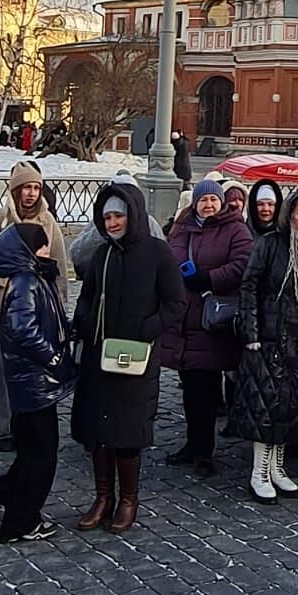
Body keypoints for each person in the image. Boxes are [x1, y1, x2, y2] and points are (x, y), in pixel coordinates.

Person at [71, 181, 182, 533]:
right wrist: (86, 324)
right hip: (97, 354)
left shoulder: (157, 253)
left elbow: (175, 304)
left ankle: (128, 499)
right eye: (107, 217)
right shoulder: (101, 254)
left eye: (118, 216)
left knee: (127, 432)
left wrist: (146, 330)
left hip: (135, 357)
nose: (113, 223)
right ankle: (102, 495)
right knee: (97, 430)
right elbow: (86, 298)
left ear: (132, 215)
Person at [230, 191, 298, 503]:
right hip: (269, 338)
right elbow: (249, 286)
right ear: (290, 215)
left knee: (289, 406)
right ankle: (258, 471)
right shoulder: (270, 244)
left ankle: (277, 467)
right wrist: (252, 334)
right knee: (266, 408)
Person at [0, 223, 75, 543]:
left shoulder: (37, 276)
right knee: (42, 454)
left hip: (33, 382)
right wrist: (53, 358)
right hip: (33, 381)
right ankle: (20, 522)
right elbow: (23, 330)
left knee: (31, 448)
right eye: (40, 247)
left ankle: (7, 493)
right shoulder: (26, 281)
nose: (47, 251)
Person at [159, 179, 253, 477]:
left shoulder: (235, 228)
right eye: (204, 200)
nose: (209, 205)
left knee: (208, 390)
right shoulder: (182, 227)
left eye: (214, 199)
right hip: (183, 319)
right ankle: (191, 443)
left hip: (212, 321)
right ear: (195, 202)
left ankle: (204, 451)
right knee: (189, 388)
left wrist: (208, 278)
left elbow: (242, 265)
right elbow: (167, 261)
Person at [0, 159, 69, 453]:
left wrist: (59, 303)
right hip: (0, 307)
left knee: (31, 373)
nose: (31, 193)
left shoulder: (49, 223)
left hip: (36, 309)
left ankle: (26, 426)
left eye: (36, 187)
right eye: (26, 187)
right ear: (15, 190)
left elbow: (59, 266)